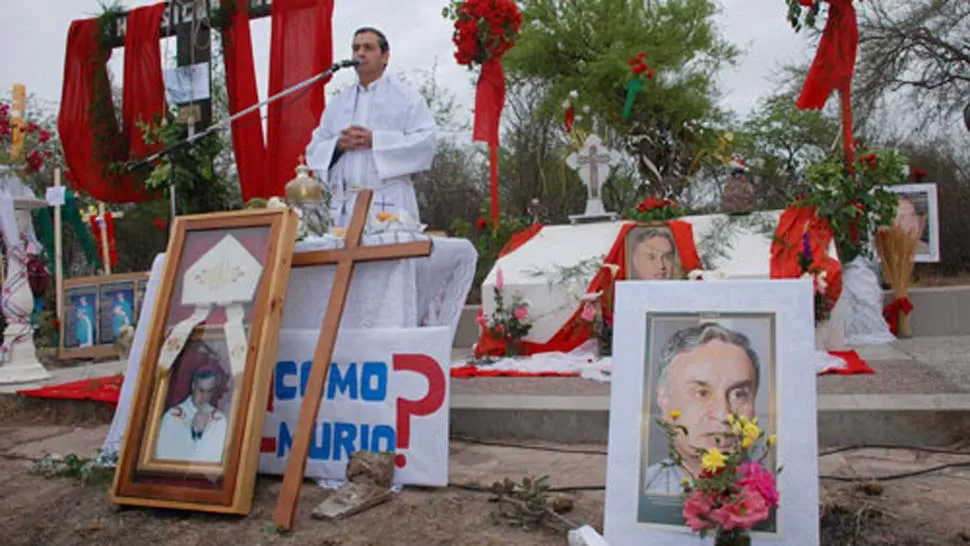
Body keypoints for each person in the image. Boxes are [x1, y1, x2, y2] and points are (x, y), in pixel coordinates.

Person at [305, 27, 437, 228]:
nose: (360, 53)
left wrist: (376, 140)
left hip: (389, 201)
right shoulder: (338, 103)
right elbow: (314, 149)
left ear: (385, 56)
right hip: (345, 207)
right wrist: (338, 145)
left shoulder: (407, 98)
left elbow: (426, 143)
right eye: (356, 48)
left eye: (368, 47)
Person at [644, 323, 761, 495]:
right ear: (664, 398)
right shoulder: (642, 489)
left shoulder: (778, 493)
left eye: (739, 394)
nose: (723, 414)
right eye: (702, 393)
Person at [156, 365, 229, 464]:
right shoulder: (172, 416)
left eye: (209, 391)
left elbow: (217, 458)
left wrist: (201, 433)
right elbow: (165, 455)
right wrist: (194, 433)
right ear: (193, 386)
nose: (204, 397)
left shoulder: (219, 420)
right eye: (201, 390)